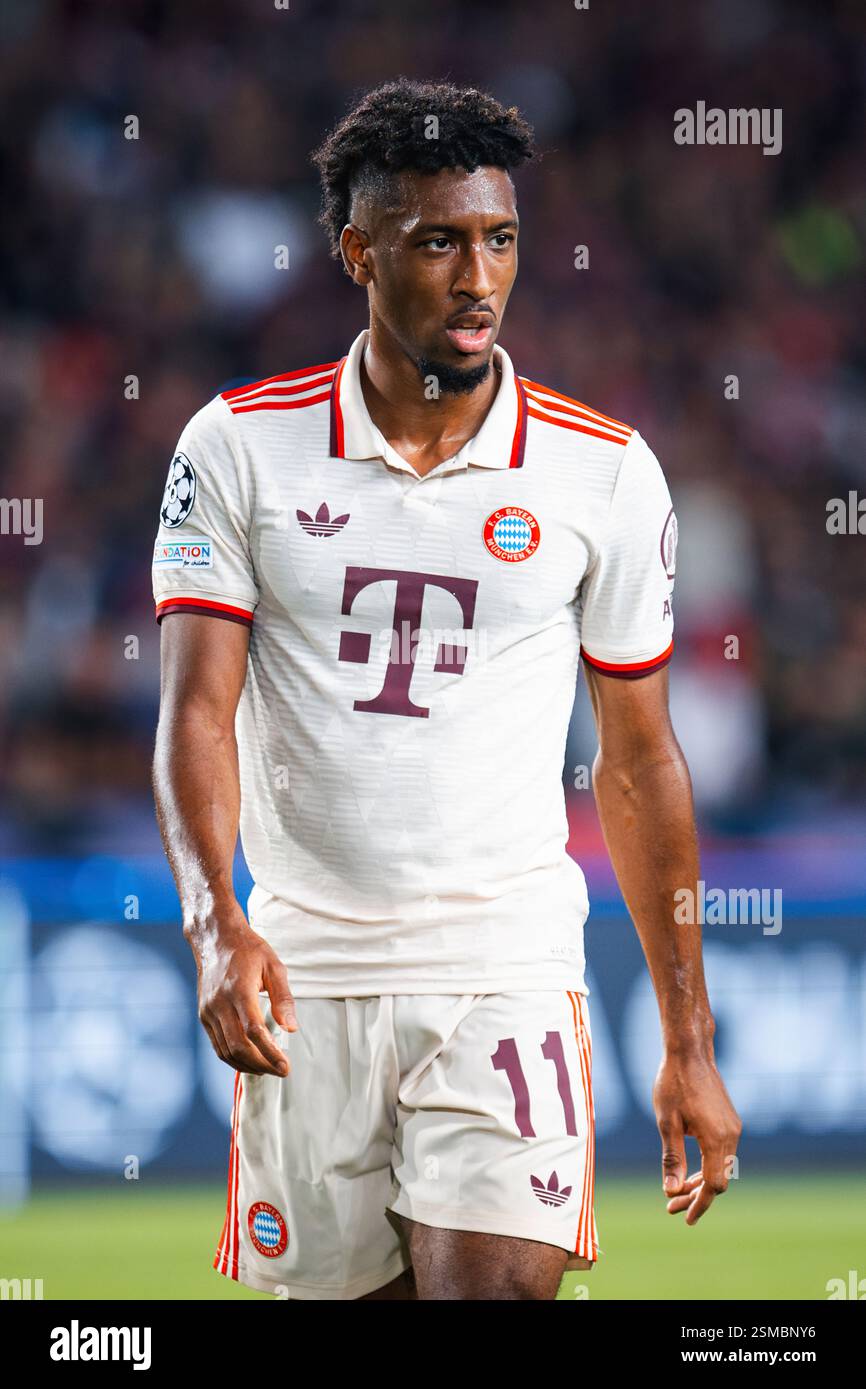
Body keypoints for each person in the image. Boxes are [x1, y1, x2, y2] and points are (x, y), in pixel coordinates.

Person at [152, 78, 741, 1301]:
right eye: (438, 241)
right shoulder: (236, 448)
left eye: (499, 239)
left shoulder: (603, 473)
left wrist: (687, 1036)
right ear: (358, 252)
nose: (478, 275)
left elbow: (637, 762)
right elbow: (194, 716)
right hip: (302, 979)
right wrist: (215, 925)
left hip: (505, 966)